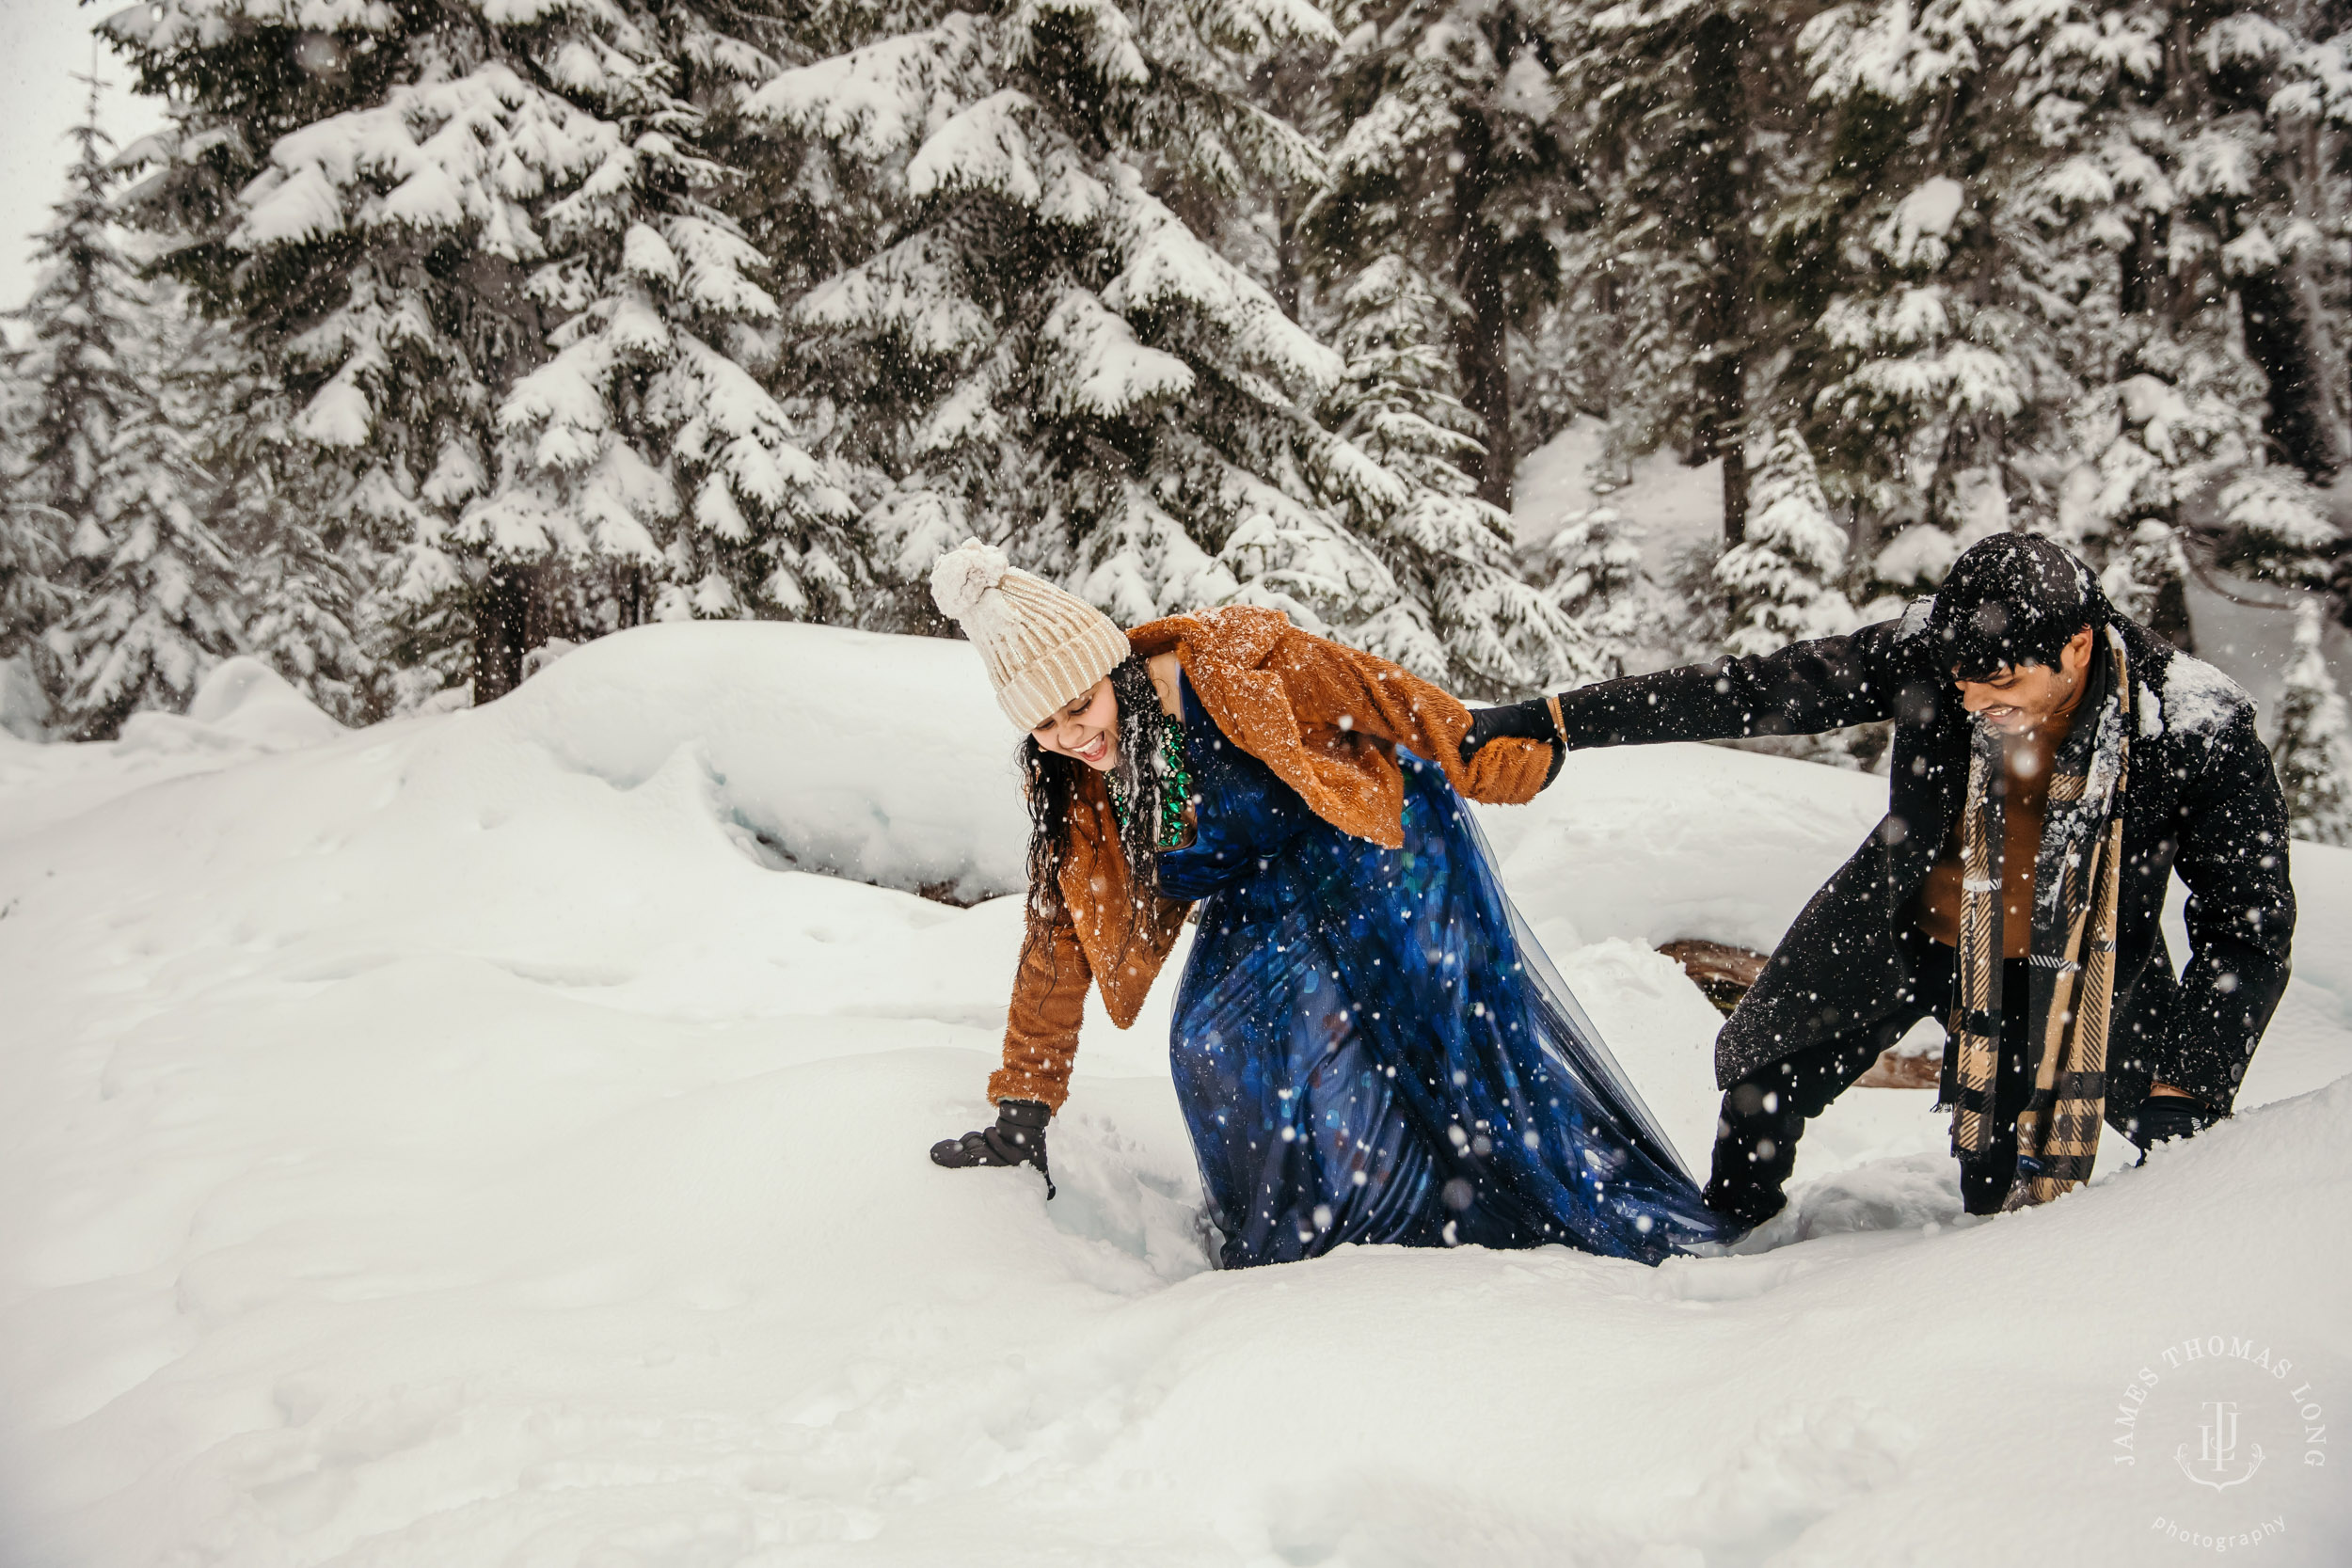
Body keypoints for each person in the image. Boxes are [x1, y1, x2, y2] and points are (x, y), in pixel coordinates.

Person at [923, 539, 1735, 1268]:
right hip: (1258, 880)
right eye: (1048, 724)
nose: (1074, 734)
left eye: (1081, 707)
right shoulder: (1077, 792)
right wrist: (1024, 1106)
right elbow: (1057, 941)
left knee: (1443, 1029)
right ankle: (1340, 1222)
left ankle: (1517, 1201)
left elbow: (1376, 691)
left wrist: (1480, 758)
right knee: (1211, 1043)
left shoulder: (1226, 664)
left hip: (1371, 848)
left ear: (1114, 671)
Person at [1464, 532, 2296, 1226]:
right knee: (1760, 1086)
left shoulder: (2191, 727)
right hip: (1909, 928)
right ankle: (1728, 1245)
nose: (1979, 707)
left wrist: (2190, 1077)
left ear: (2077, 646)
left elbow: (2250, 922)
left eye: (2003, 685)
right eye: (1965, 687)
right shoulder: (1929, 651)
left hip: (2072, 975)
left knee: (2008, 1189)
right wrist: (1555, 721)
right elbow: (1749, 691)